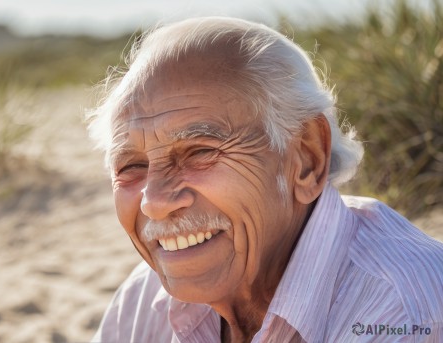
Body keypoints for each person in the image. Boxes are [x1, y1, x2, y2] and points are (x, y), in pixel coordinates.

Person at [86, 17, 443, 342]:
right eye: (131, 166)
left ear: (307, 159)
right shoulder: (143, 298)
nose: (154, 202)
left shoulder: (405, 311)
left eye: (199, 152)